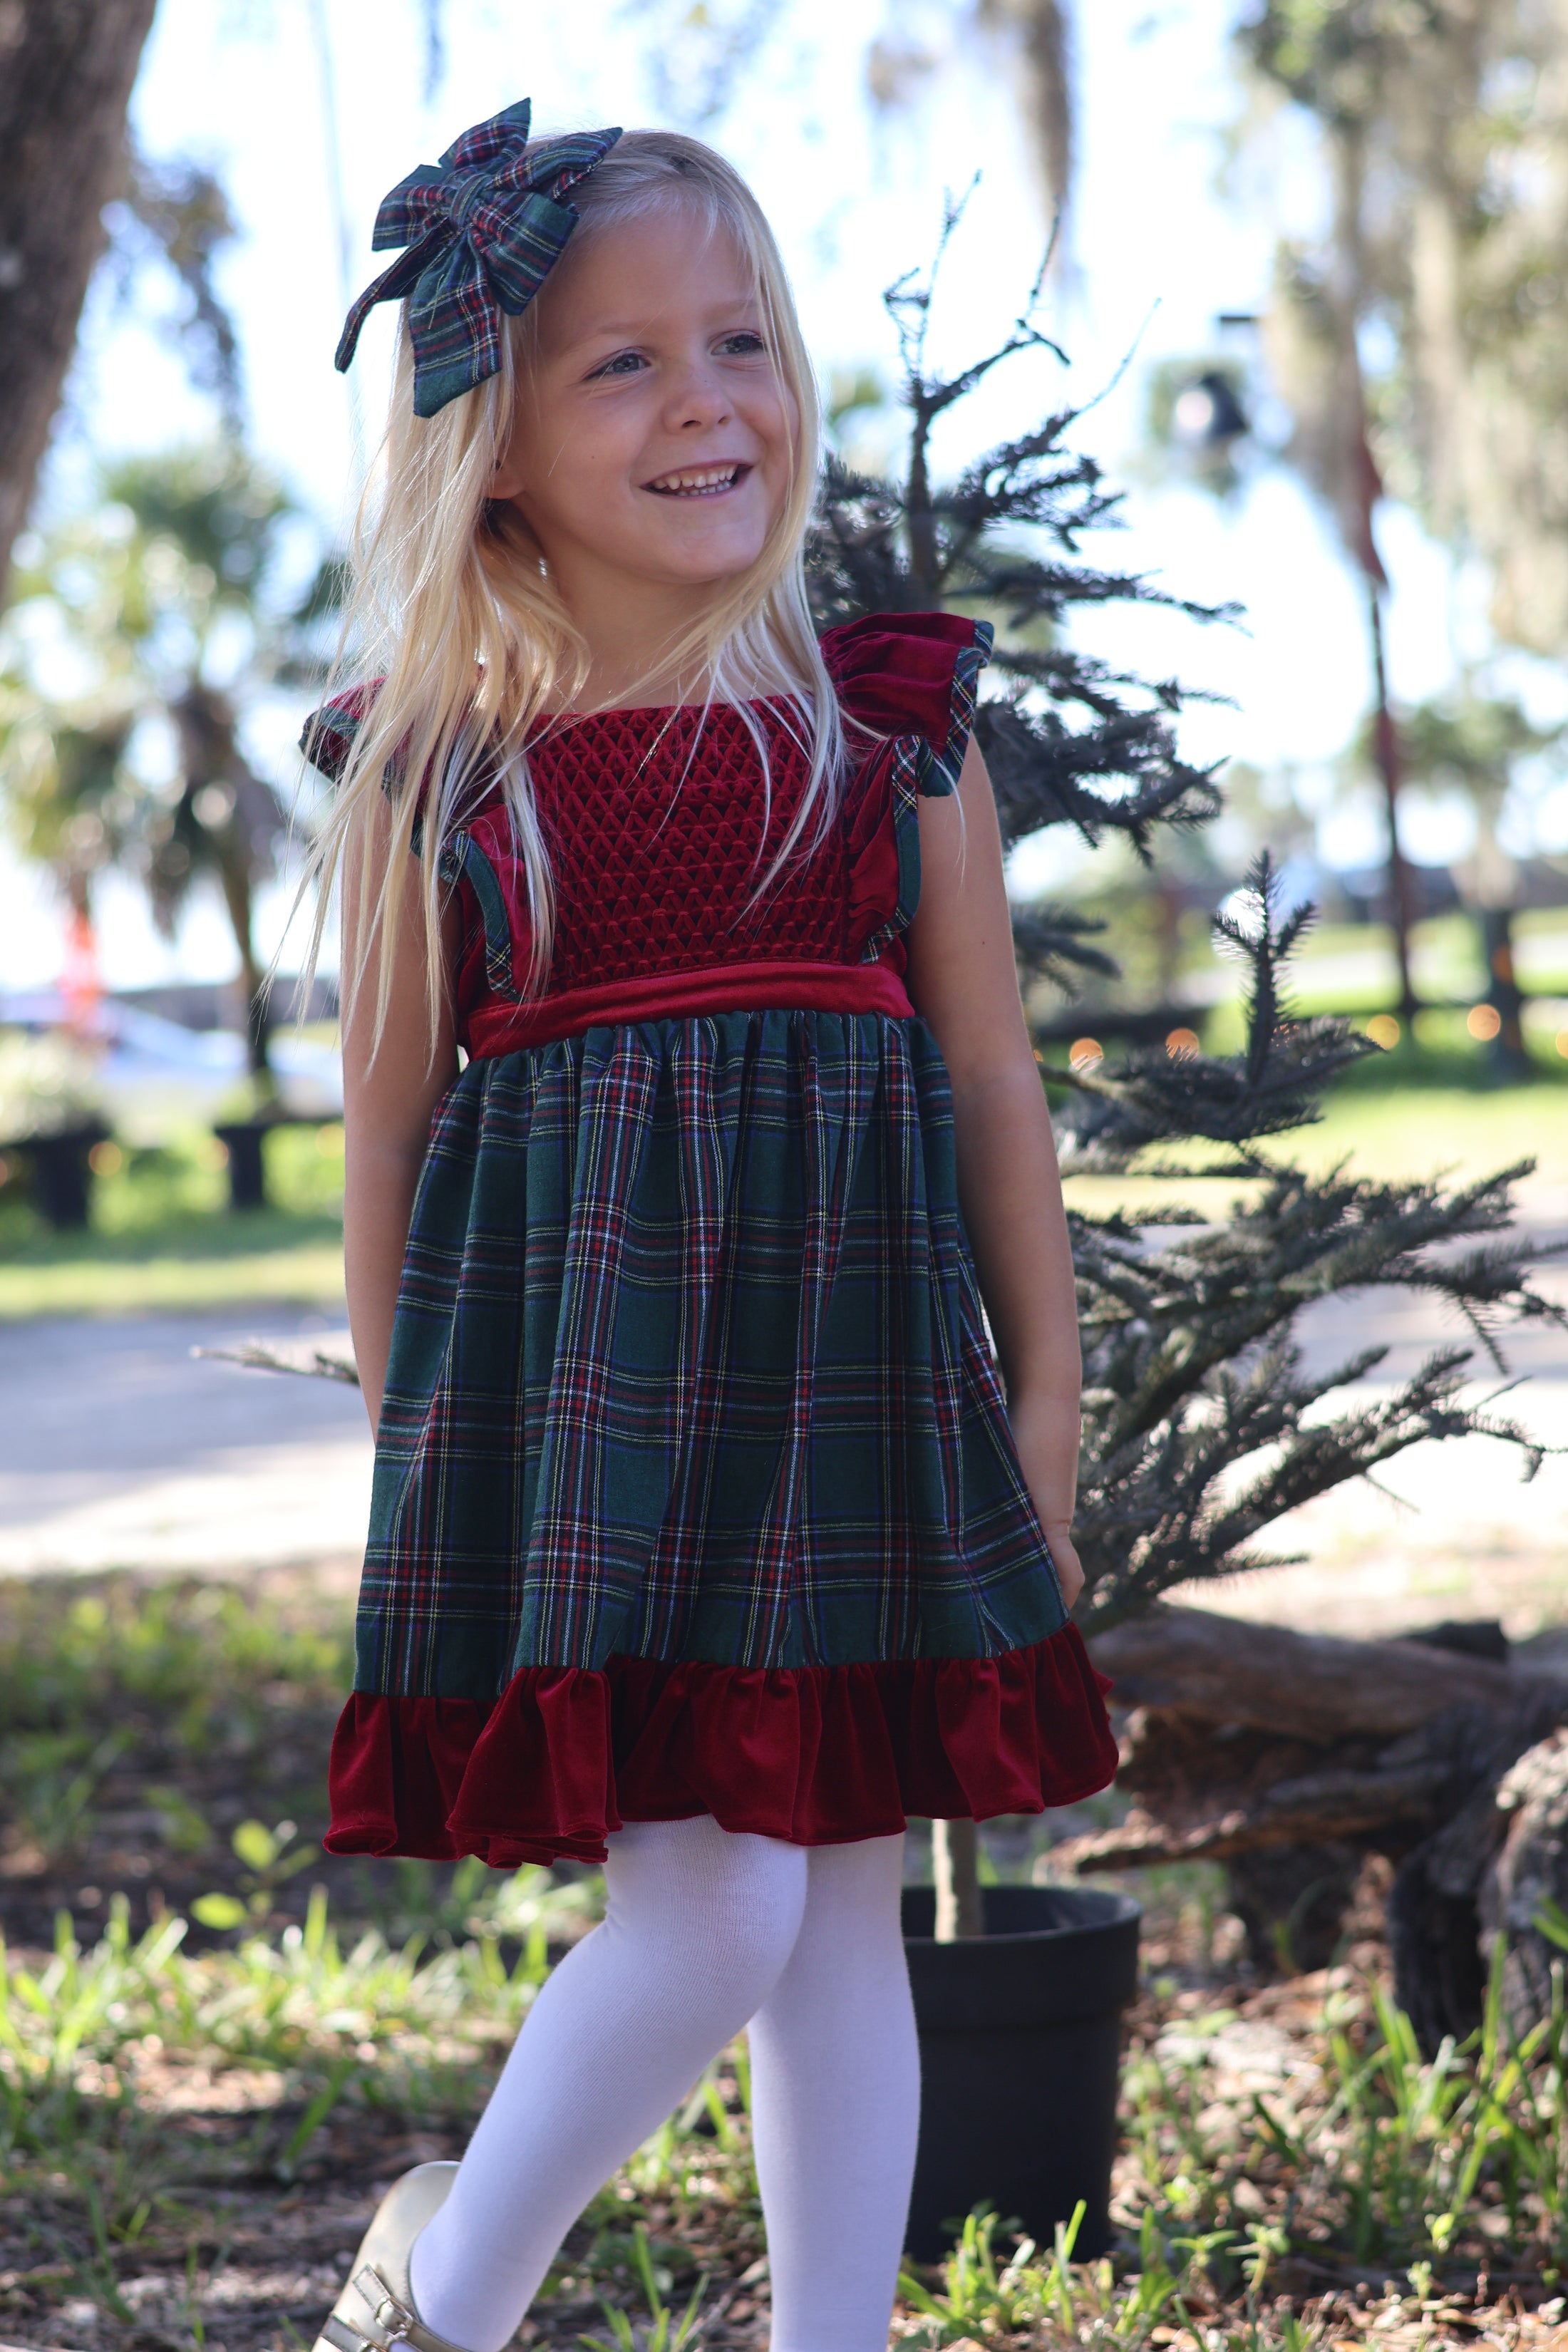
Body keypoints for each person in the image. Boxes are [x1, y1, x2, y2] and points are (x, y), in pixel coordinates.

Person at [300, 98, 1116, 2352]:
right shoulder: (439, 785)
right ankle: (437, 2296)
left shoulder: (886, 749)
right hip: (609, 1437)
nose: (706, 401)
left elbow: (986, 1092)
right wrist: (418, 1449)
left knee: (838, 1908)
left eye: (737, 338)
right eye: (623, 363)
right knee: (723, 1909)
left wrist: (1044, 1396)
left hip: (853, 1406)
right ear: (493, 450)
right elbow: (384, 1148)